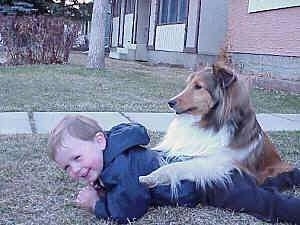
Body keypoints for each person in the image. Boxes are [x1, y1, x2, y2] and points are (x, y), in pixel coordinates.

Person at [48, 114, 300, 224]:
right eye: (67, 167)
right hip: (198, 164)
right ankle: (292, 175)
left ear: (100, 141)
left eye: (78, 157)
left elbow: (128, 208)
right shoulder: (117, 150)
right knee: (257, 180)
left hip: (204, 184)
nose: (75, 169)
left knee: (262, 202)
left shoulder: (120, 168)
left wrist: (95, 204)